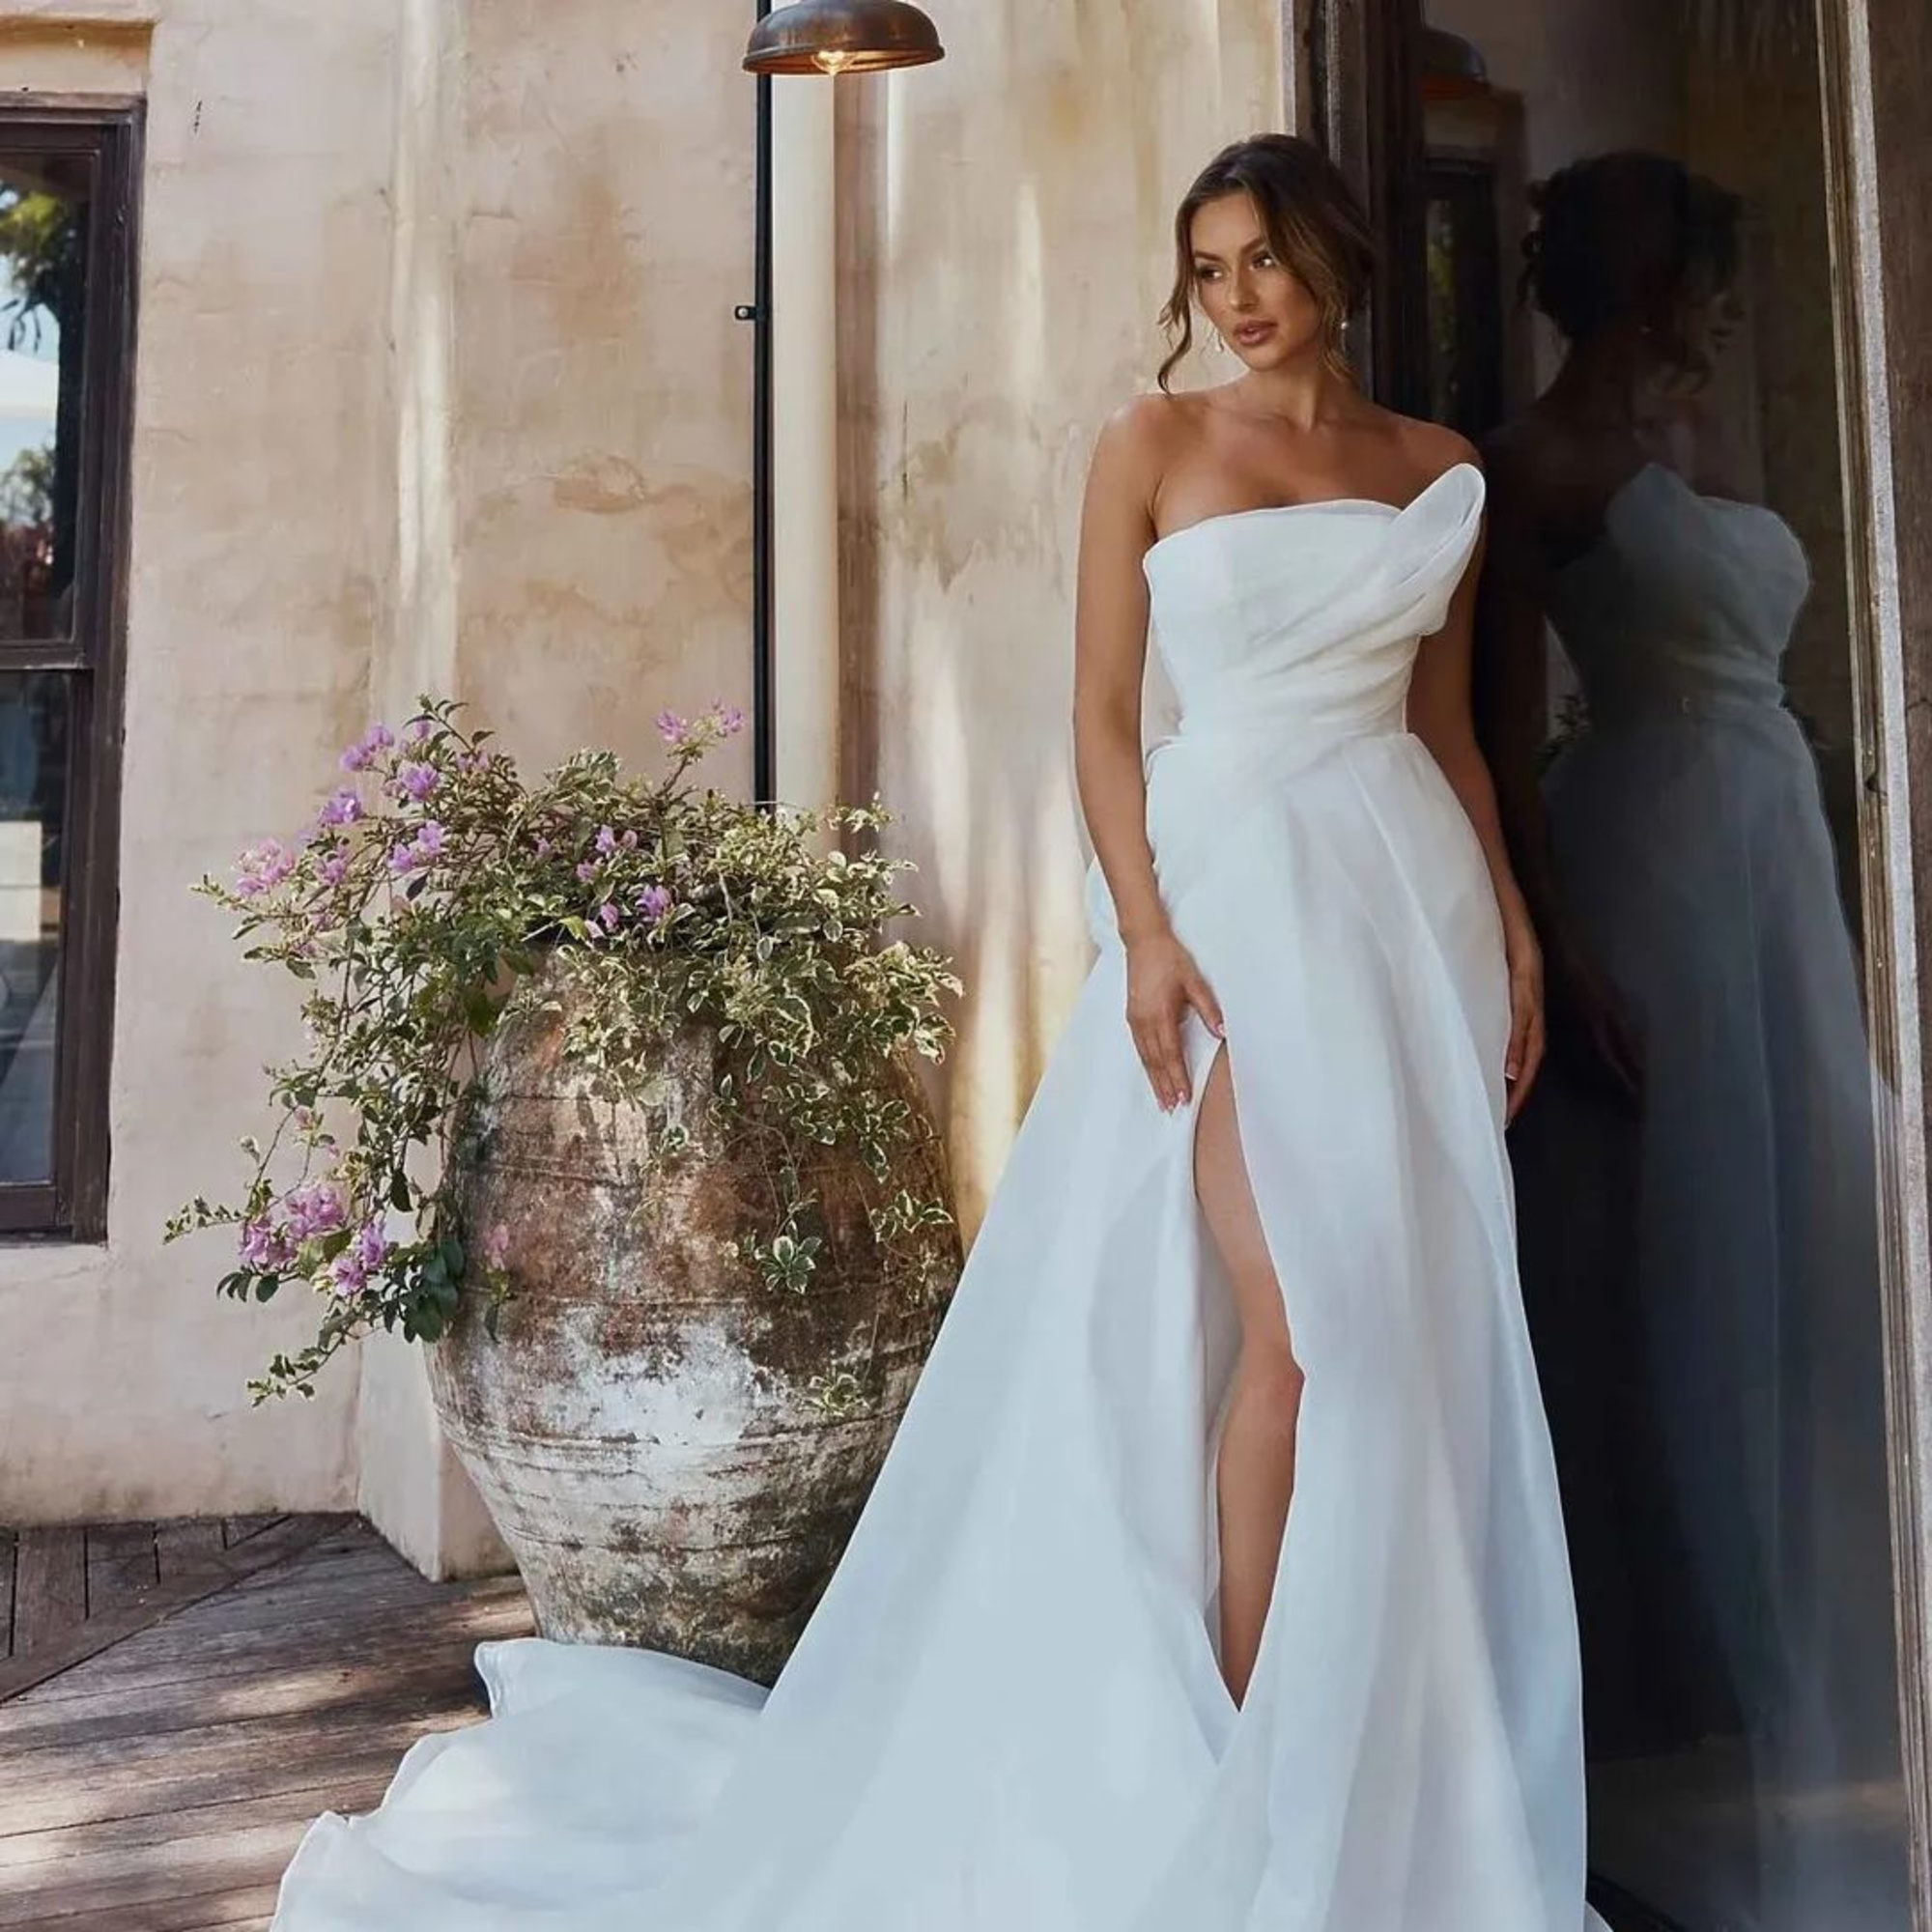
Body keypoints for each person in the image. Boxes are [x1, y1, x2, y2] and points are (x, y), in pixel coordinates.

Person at [270, 133, 1605, 1932]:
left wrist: (1511, 926)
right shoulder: (1150, 449)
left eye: (1265, 259)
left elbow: (1445, 735)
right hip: (1229, 909)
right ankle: (1241, 1760)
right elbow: (1106, 723)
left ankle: (1384, 1746)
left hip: (1403, 908)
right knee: (1301, 1329)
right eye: (1207, 267)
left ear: (1335, 265)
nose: (1236, 297)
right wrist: (1139, 931)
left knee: (1412, 1329)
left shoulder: (1435, 472)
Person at [1482, 151, 1904, 1930]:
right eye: (1689, 279)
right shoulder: (1533, 467)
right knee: (1707, 1238)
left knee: (1832, 1202)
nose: (1706, 312)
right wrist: (1563, 951)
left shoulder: (1702, 435)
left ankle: (1846, 1671)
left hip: (1774, 846)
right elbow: (1500, 751)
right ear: (1626, 281)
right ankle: (1710, 1677)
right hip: (1648, 842)